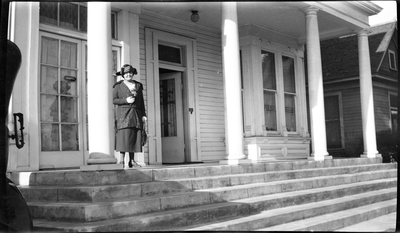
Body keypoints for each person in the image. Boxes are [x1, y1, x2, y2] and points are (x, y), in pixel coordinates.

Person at [113, 64, 147, 168]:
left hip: (136, 114)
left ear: (133, 74)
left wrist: (143, 114)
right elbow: (114, 100)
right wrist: (125, 100)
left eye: (130, 73)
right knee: (124, 136)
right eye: (126, 73)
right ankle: (122, 161)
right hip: (123, 114)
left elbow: (141, 102)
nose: (128, 75)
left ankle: (132, 161)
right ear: (123, 75)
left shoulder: (138, 86)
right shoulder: (118, 86)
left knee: (134, 136)